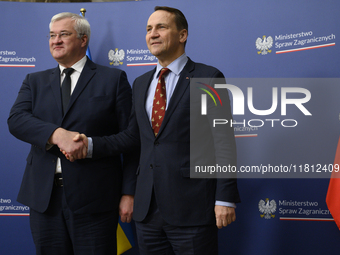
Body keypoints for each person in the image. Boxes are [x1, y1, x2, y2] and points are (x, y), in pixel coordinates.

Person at [68, 6, 240, 255]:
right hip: (147, 212)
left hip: (192, 209)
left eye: (161, 27)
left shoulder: (208, 77)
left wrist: (224, 197)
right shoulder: (140, 84)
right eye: (149, 29)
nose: (153, 34)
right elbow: (132, 139)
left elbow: (223, 141)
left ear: (182, 35)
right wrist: (90, 144)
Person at [7, 12, 137, 255]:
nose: (56, 40)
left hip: (95, 201)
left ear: (83, 40)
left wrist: (90, 147)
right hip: (44, 201)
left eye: (63, 34)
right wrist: (56, 134)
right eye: (52, 35)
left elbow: (130, 138)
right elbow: (16, 120)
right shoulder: (34, 81)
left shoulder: (113, 79)